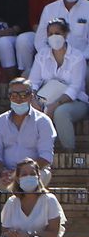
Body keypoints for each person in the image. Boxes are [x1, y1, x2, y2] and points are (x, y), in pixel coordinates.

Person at [0, 77, 55, 230]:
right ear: (9, 97)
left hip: (35, 173)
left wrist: (19, 173)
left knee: (33, 180)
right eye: (14, 95)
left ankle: (24, 229)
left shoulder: (43, 121)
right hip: (6, 174)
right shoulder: (1, 120)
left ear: (31, 96)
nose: (18, 99)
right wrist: (2, 171)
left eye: (23, 94)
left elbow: (46, 157)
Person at [27, 18, 89, 151]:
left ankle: (69, 152)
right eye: (50, 34)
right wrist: (33, 99)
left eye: (57, 33)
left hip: (76, 101)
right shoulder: (41, 56)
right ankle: (33, 151)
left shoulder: (77, 57)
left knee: (60, 112)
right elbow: (33, 82)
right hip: (46, 98)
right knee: (27, 107)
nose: (53, 37)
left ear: (65, 34)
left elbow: (75, 88)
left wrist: (55, 105)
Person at [0, 159, 63, 237]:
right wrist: (11, 235)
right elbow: (4, 232)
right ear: (18, 179)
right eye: (24, 174)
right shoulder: (11, 202)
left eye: (32, 174)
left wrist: (29, 234)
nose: (28, 177)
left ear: (38, 177)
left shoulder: (49, 200)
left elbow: (53, 235)